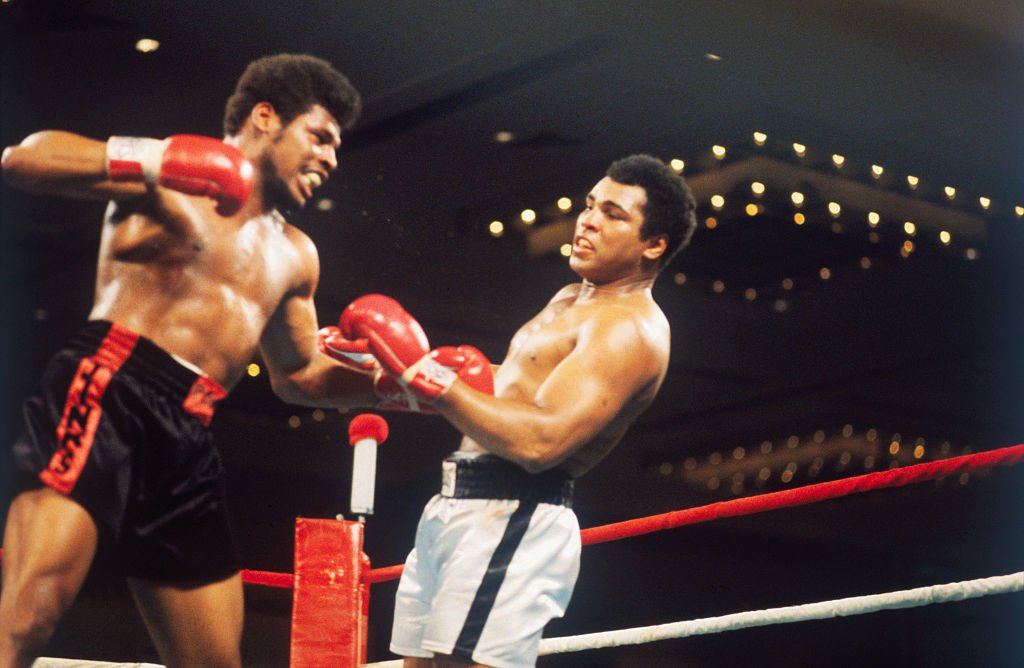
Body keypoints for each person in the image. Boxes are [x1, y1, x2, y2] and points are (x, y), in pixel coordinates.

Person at [0, 54, 378, 668]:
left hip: (190, 432)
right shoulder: (172, 174)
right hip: (108, 386)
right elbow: (24, 160)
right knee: (27, 619)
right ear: (265, 117)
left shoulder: (297, 255)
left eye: (337, 146)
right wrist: (156, 159)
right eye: (320, 136)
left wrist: (399, 384)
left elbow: (300, 376)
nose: (331, 158)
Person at [322, 154, 697, 668]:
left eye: (613, 214)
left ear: (654, 244)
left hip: (515, 512)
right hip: (460, 503)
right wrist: (390, 373)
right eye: (589, 205)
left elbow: (540, 444)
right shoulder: (570, 298)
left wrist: (428, 377)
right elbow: (502, 390)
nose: (587, 220)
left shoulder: (629, 329)